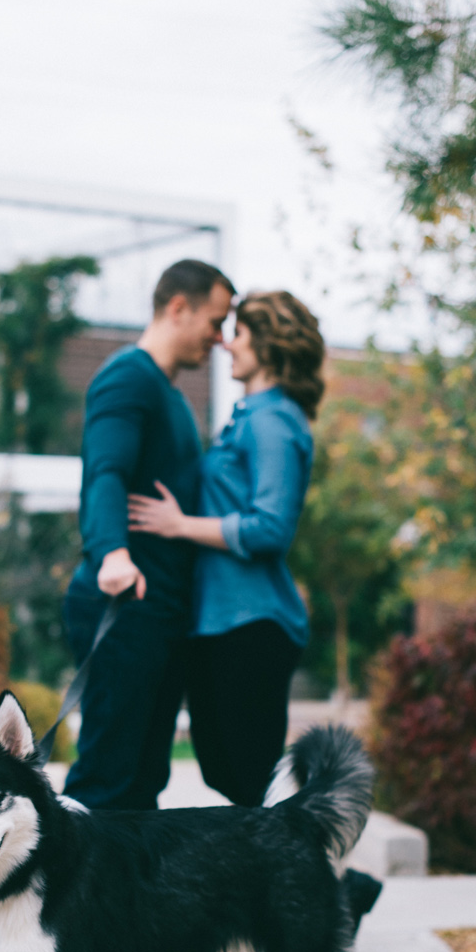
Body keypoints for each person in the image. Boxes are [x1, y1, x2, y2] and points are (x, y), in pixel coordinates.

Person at [128, 290, 323, 807]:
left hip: (253, 622)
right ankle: (315, 874)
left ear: (270, 345)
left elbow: (270, 528)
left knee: (249, 774)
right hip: (218, 621)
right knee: (226, 769)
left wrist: (180, 525)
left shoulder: (274, 420)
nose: (226, 344)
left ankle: (326, 879)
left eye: (238, 334)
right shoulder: (250, 415)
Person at [62, 258, 234, 809]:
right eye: (215, 321)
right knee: (107, 778)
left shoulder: (172, 396)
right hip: (123, 604)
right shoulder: (126, 376)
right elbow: (105, 472)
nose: (220, 338)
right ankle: (74, 897)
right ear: (178, 308)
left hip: (159, 615)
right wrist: (112, 552)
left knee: (142, 784)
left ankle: (130, 899)